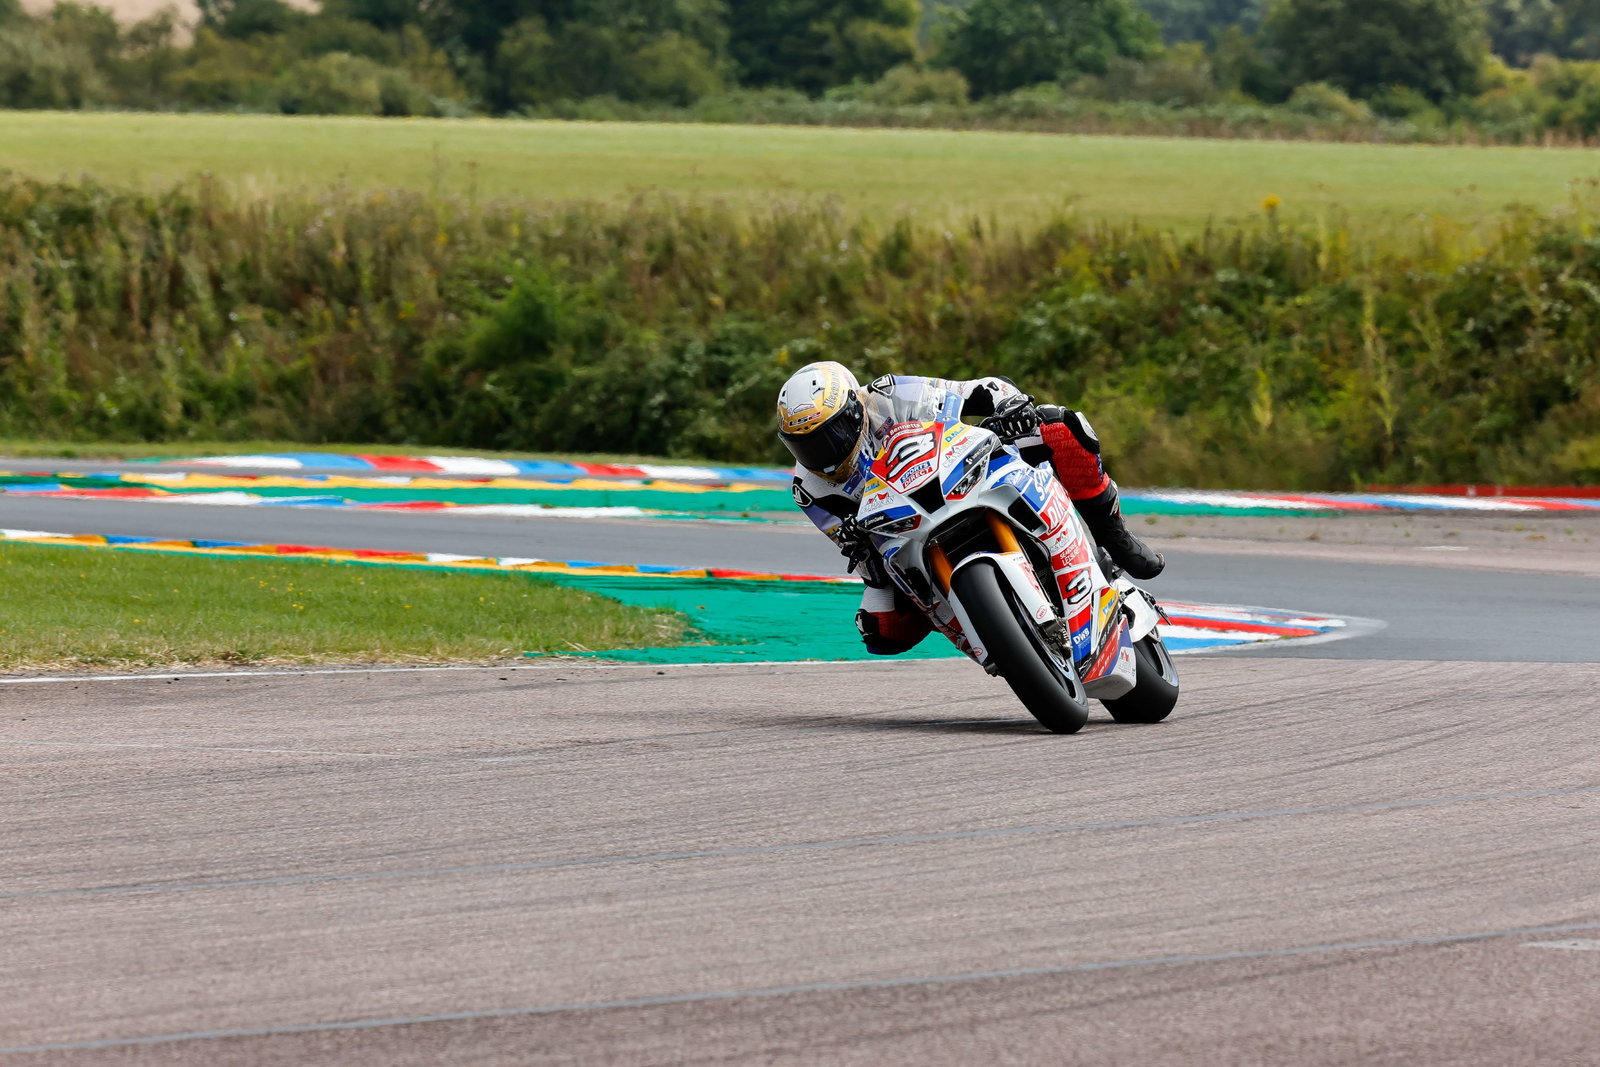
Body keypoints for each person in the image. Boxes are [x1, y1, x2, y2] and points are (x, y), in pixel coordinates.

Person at [776, 361, 1163, 656]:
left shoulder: (890, 395)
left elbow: (977, 390)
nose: (823, 455)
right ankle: (985, 630)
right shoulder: (808, 488)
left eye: (832, 433)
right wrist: (858, 547)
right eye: (806, 445)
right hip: (905, 530)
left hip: (964, 470)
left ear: (855, 409)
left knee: (1063, 427)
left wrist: (1008, 404)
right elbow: (860, 555)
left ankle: (1113, 534)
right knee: (880, 632)